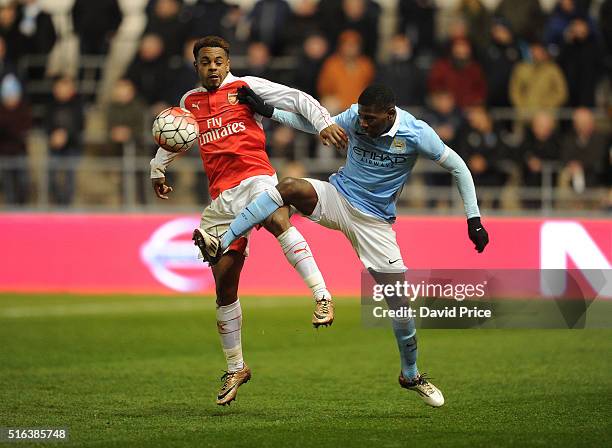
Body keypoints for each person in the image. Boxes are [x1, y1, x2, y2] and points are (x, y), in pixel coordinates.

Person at [200, 84, 490, 408]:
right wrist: (269, 112)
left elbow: (458, 167)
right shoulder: (354, 116)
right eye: (361, 117)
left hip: (375, 223)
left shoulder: (415, 132)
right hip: (337, 197)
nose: (362, 124)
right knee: (289, 187)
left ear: (390, 115)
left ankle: (410, 374)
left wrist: (473, 219)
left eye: (370, 119)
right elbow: (317, 123)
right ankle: (221, 241)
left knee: (400, 307)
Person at [149, 36, 348, 406]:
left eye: (219, 60)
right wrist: (157, 168)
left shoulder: (246, 87)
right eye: (205, 61)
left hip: (256, 178)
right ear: (196, 66)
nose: (212, 66)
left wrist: (322, 123)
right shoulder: (188, 103)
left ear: (227, 63)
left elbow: (297, 99)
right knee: (224, 287)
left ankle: (322, 296)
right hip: (220, 201)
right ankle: (236, 366)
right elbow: (177, 136)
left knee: (277, 219)